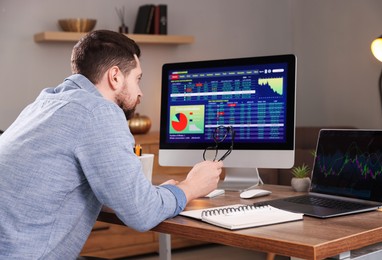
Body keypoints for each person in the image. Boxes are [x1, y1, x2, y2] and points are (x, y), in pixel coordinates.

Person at [0, 30, 223, 259]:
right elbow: (142, 214)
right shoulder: (98, 111)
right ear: (115, 76)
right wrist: (192, 186)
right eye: (137, 79)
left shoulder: (44, 103)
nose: (140, 93)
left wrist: (153, 195)